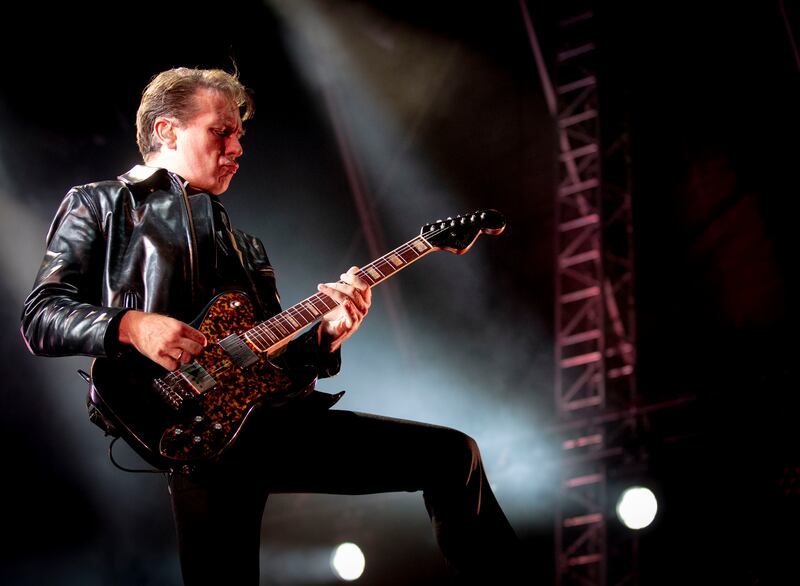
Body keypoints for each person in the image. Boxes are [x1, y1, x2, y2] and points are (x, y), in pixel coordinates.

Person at [20, 67, 527, 585]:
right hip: (186, 430)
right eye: (221, 130)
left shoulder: (247, 248)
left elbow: (277, 365)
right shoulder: (100, 204)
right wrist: (131, 324)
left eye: (240, 133)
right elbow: (41, 316)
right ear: (168, 131)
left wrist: (327, 335)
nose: (237, 145)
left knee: (450, 456)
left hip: (268, 423)